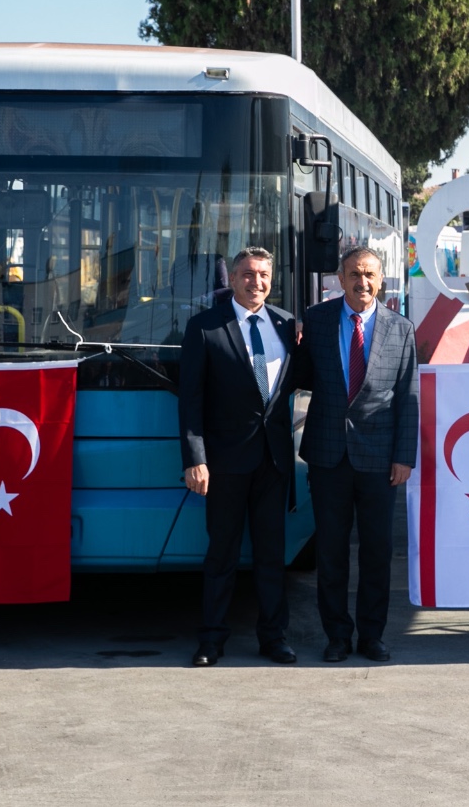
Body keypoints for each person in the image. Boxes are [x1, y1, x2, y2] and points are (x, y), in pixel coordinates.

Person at [293, 246, 420, 662]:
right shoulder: (315, 321)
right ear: (339, 278)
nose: (361, 283)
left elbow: (408, 398)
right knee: (331, 552)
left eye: (369, 275)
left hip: (381, 461)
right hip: (328, 456)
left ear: (381, 280)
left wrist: (404, 457)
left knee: (377, 552)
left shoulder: (401, 329)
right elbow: (300, 376)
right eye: (353, 274)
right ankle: (336, 636)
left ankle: (372, 636)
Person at [179, 247, 299, 667]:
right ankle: (211, 640)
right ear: (231, 278)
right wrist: (196, 458)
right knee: (221, 556)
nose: (257, 282)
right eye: (248, 274)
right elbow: (191, 398)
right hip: (224, 463)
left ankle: (274, 638)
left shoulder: (286, 324)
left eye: (264, 275)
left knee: (271, 556)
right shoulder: (205, 327)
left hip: (274, 462)